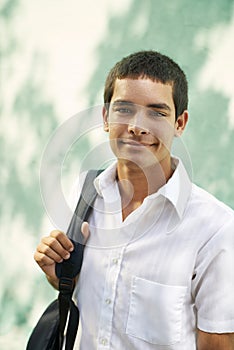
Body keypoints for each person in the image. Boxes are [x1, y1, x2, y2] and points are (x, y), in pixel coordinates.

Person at [34, 50, 234, 349]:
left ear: (180, 123)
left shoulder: (215, 228)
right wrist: (61, 277)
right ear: (106, 116)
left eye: (157, 112)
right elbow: (97, 299)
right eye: (124, 109)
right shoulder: (86, 193)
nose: (137, 126)